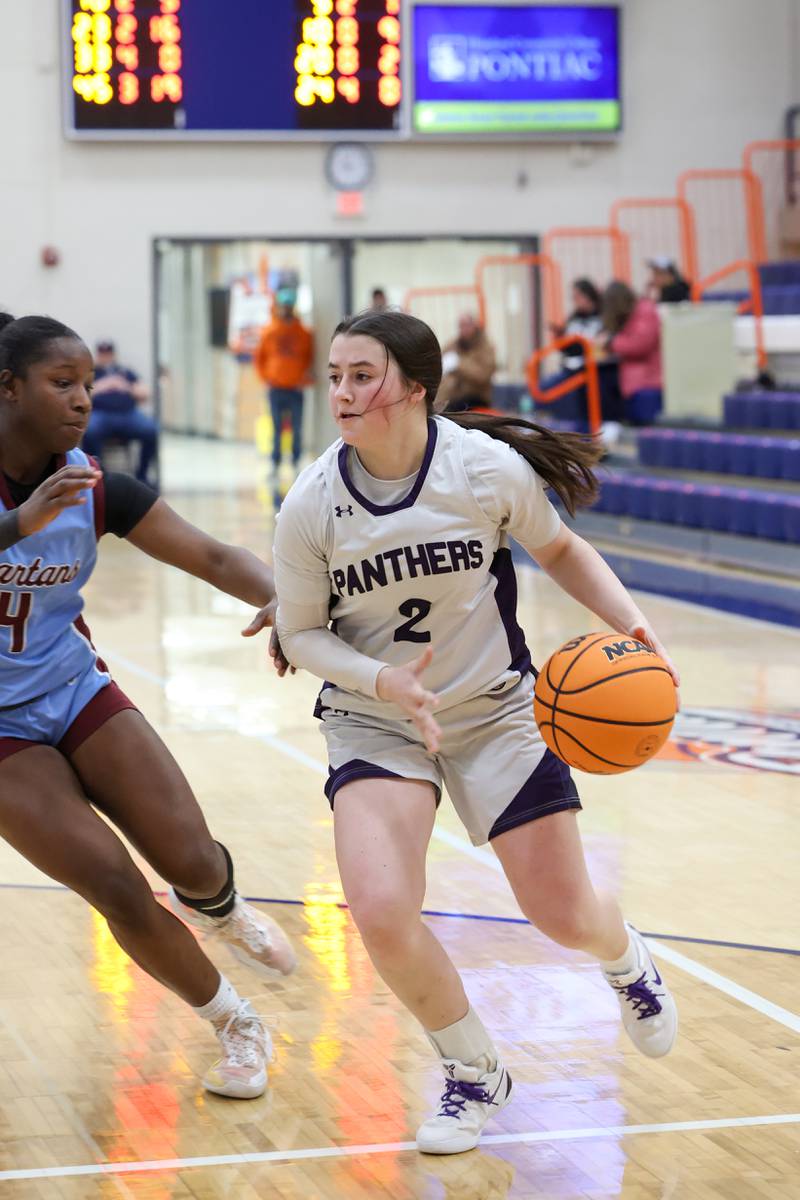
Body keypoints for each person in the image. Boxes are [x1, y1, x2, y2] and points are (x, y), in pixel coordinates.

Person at [266, 309, 680, 1156]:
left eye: (361, 376)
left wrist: (629, 621)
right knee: (380, 911)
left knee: (564, 916)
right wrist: (379, 677)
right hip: (376, 719)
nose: (341, 393)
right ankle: (472, 1070)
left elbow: (559, 549)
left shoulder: (482, 470)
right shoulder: (312, 502)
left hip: (494, 712)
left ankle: (624, 955)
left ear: (415, 388)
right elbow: (301, 634)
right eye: (335, 376)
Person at [0, 313, 298, 1102]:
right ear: (8, 389)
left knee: (191, 856)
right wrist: (17, 526)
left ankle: (224, 908)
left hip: (70, 689)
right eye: (62, 384)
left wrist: (284, 600)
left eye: (88, 386)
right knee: (116, 884)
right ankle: (236, 1024)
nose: (82, 402)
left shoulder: (97, 487)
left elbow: (210, 554)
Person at [253, 289, 314, 472]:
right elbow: (259, 358)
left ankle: (296, 460)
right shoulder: (269, 331)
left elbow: (309, 357)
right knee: (277, 427)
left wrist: (303, 378)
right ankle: (275, 462)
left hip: (295, 389)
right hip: (276, 388)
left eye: (289, 306)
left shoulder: (303, 333)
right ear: (278, 307)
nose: (286, 310)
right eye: (283, 306)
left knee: (297, 427)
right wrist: (267, 378)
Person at [81, 340, 158, 484]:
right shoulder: (91, 373)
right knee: (89, 430)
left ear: (113, 354)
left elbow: (144, 394)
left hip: (128, 414)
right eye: (102, 354)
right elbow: (81, 393)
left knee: (151, 429)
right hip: (100, 414)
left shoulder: (125, 372)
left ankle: (142, 476)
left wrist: (125, 386)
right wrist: (104, 385)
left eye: (108, 353)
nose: (106, 357)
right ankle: (97, 475)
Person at [599, 281, 663, 426]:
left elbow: (640, 344)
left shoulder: (645, 310)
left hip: (647, 382)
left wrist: (611, 342)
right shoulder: (632, 313)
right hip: (633, 381)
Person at [435, 313, 496, 413]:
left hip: (477, 397)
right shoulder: (453, 345)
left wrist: (459, 364)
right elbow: (439, 360)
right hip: (453, 396)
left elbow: (483, 375)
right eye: (461, 326)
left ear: (474, 325)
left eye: (466, 325)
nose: (464, 329)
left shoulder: (486, 347)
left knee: (451, 410)